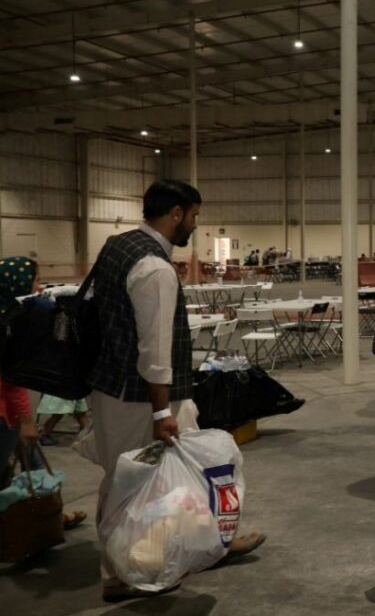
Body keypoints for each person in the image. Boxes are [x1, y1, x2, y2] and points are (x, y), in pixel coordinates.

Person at [88, 180, 265, 603]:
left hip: (110, 387)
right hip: (141, 398)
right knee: (137, 486)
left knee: (145, 476)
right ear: (175, 214)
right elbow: (155, 347)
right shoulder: (154, 268)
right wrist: (160, 412)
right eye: (194, 216)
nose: (194, 225)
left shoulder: (118, 244)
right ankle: (123, 570)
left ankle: (208, 543)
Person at [0, 257, 86, 530]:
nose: (39, 288)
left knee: (33, 460)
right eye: (35, 281)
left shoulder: (10, 316)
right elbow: (9, 380)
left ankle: (49, 514)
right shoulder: (6, 324)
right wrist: (26, 420)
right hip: (4, 413)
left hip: (8, 412)